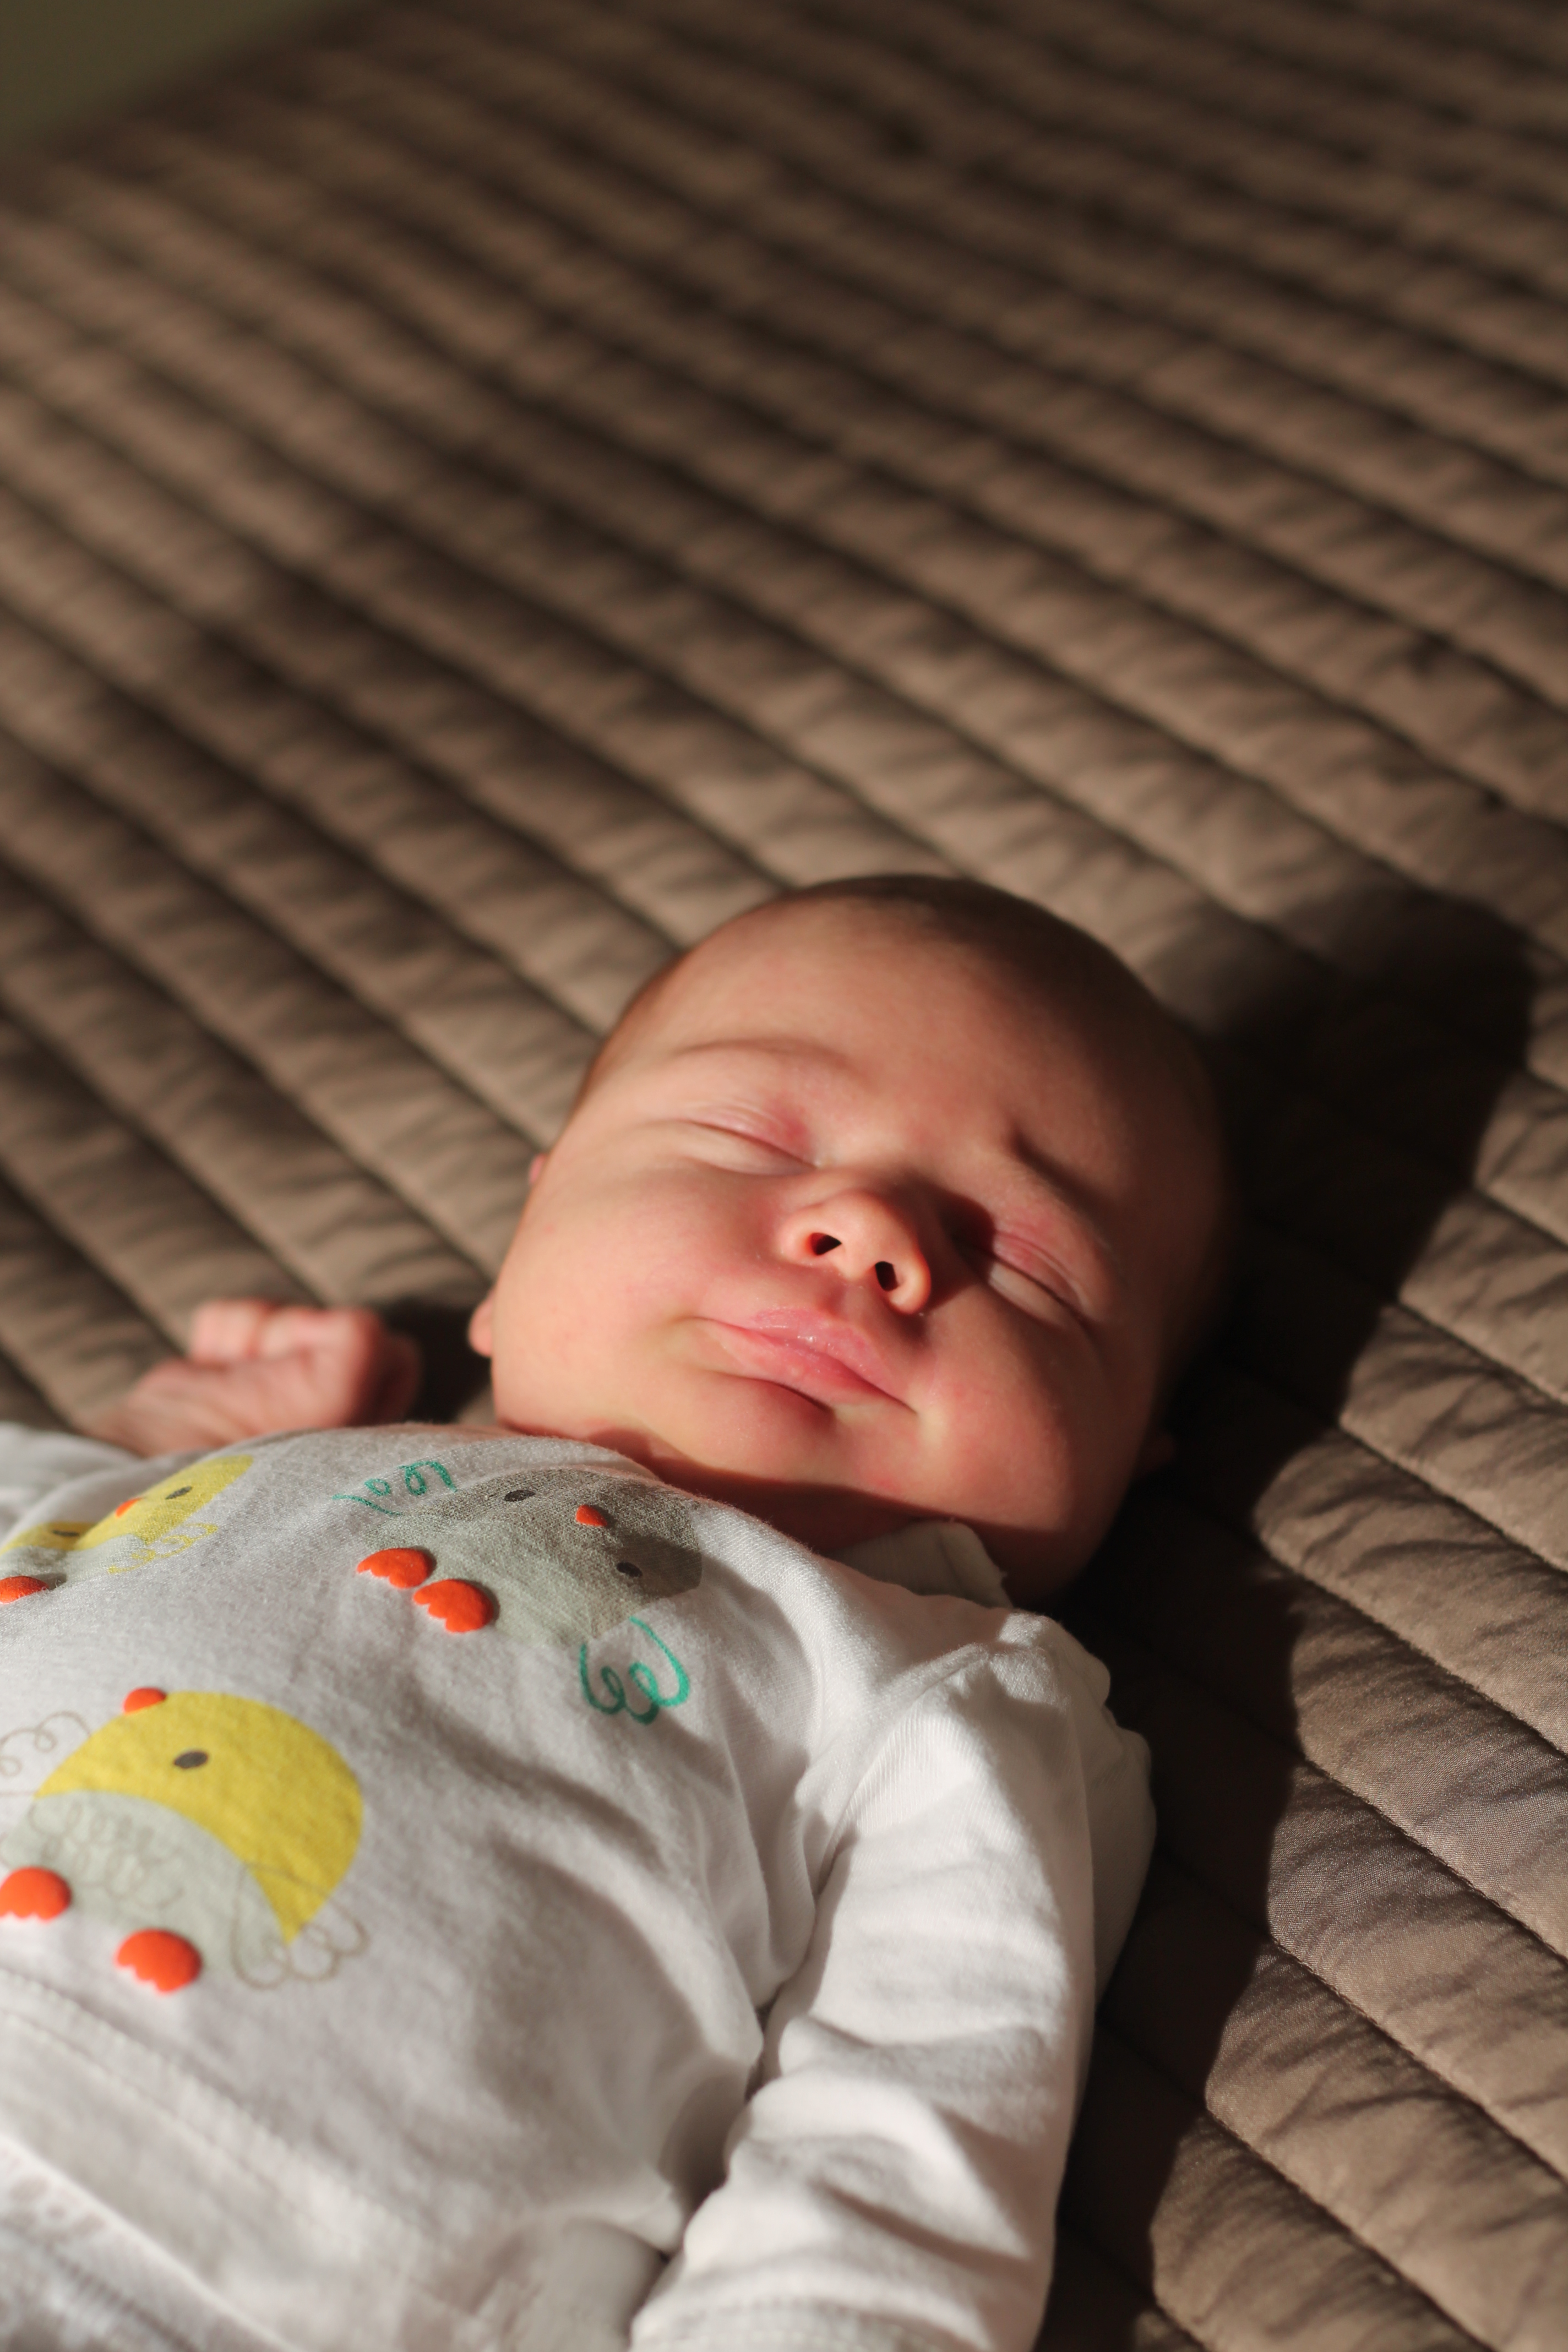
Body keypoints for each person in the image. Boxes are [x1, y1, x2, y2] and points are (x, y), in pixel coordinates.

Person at [0, 876, 1231, 2352]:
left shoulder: (944, 1695)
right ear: (529, 1231)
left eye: (1026, 1259)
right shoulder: (251, 1472)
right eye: (754, 1138)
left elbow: (890, 2174)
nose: (872, 1231)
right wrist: (150, 1438)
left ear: (1130, 1448)